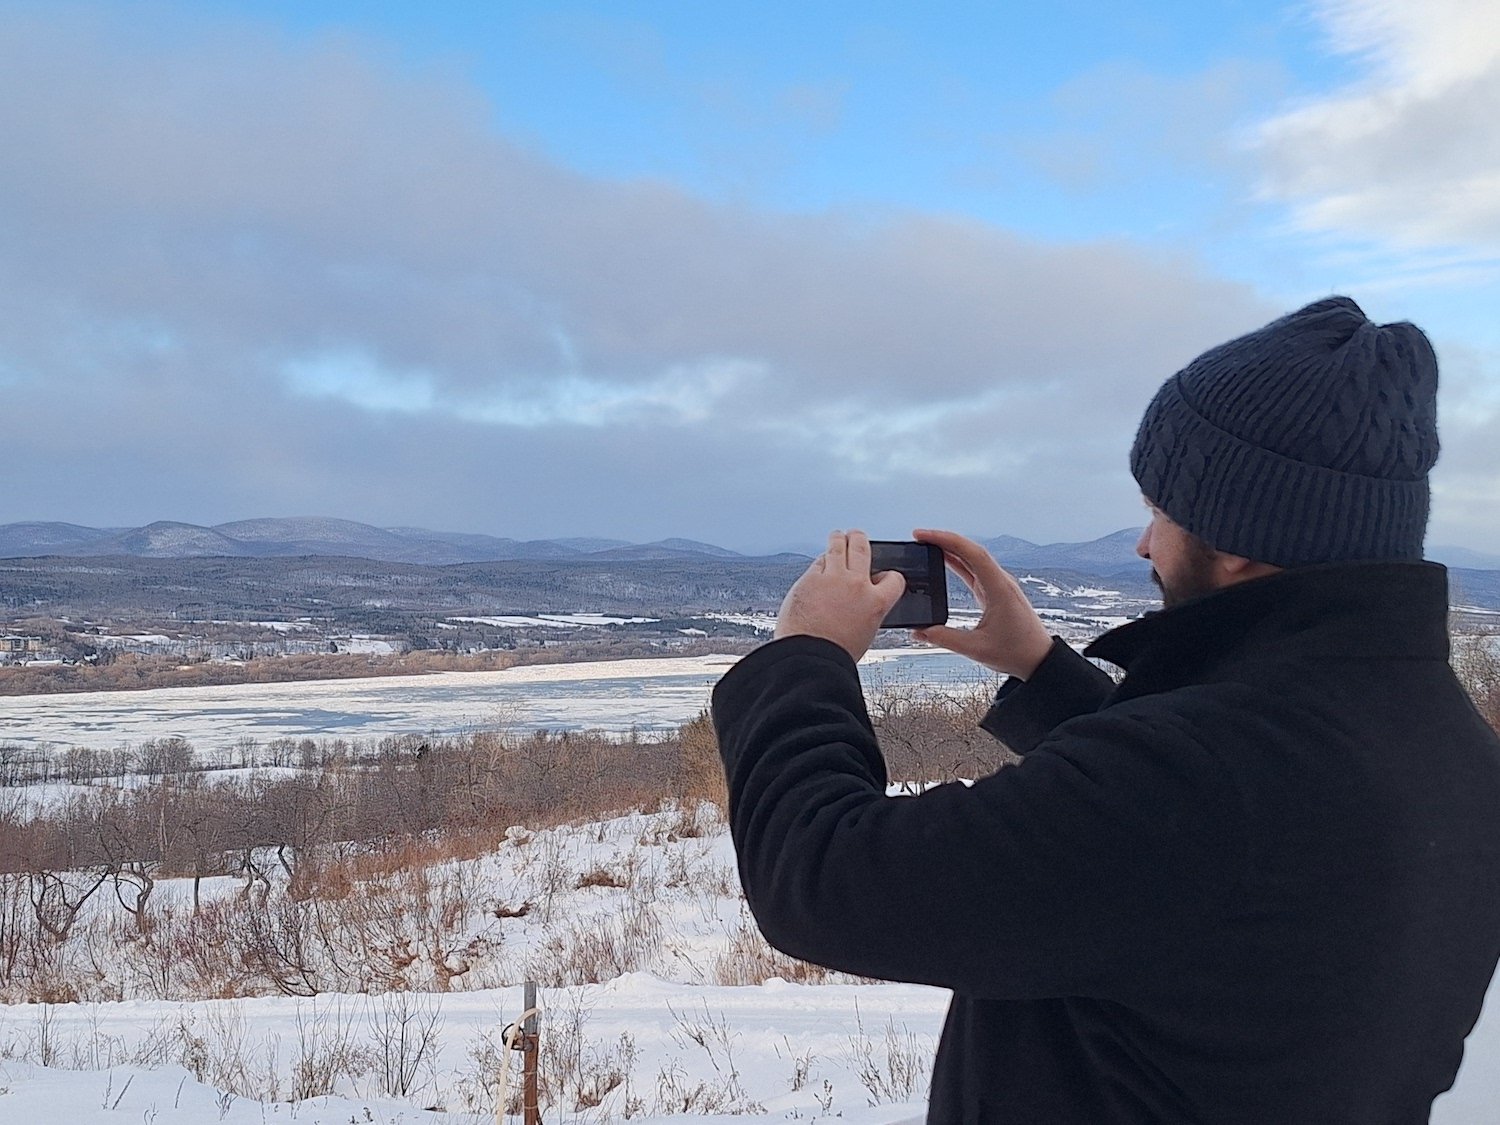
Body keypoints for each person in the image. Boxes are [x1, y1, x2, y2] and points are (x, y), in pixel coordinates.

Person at [710, 296, 1500, 1123]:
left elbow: (826, 879)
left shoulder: (1200, 780)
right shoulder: (1446, 743)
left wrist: (805, 655)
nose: (1144, 543)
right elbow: (1190, 855)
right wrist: (1042, 668)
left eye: (1162, 509)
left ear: (1237, 538)